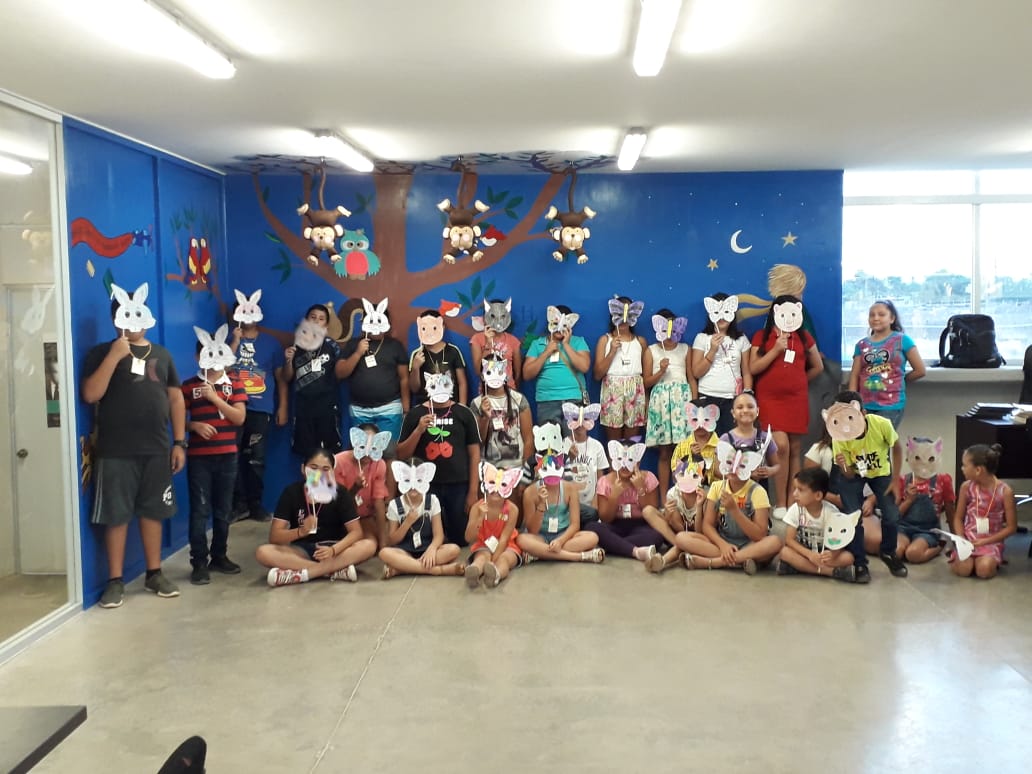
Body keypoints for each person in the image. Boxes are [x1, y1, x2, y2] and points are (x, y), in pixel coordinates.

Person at [81, 284, 186, 608]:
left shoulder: (162, 355)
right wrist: (115, 355)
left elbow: (175, 398)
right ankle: (115, 581)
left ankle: (154, 573)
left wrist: (179, 442)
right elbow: (91, 394)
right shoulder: (101, 353)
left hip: (156, 449)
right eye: (124, 316)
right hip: (115, 450)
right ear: (115, 320)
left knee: (154, 512)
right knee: (116, 515)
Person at [181, 327, 247, 585]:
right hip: (199, 458)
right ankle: (199, 562)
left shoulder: (234, 383)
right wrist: (193, 426)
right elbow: (176, 418)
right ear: (198, 358)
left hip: (227, 456)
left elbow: (239, 418)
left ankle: (219, 555)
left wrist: (215, 399)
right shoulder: (189, 386)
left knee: (223, 509)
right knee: (199, 510)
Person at [256, 449, 377, 586]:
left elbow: (356, 532)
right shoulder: (291, 492)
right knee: (263, 552)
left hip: (336, 549)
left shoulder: (340, 492)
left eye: (325, 469)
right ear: (303, 469)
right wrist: (300, 531)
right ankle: (332, 571)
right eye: (313, 468)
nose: (319, 474)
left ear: (332, 472)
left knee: (369, 545)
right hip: (302, 550)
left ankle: (302, 574)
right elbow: (275, 537)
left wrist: (333, 550)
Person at [749, 294, 823, 518]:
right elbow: (753, 368)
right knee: (780, 446)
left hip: (796, 400)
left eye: (793, 312)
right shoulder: (761, 336)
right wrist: (775, 350)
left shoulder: (804, 337)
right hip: (769, 400)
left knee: (795, 448)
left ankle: (793, 501)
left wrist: (799, 382)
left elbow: (818, 366)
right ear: (775, 312)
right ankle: (779, 502)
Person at [826, 391, 906, 582]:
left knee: (891, 514)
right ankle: (859, 562)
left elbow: (896, 447)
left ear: (862, 412)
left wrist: (895, 479)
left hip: (880, 473)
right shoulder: (839, 436)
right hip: (853, 474)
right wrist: (843, 465)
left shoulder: (881, 424)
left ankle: (888, 552)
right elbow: (848, 474)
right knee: (854, 517)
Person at [397, 372, 481, 545]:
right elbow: (401, 454)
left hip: (458, 485)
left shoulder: (464, 413)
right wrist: (418, 430)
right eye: (435, 385)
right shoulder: (415, 414)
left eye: (445, 384)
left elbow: (474, 454)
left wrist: (473, 491)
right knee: (425, 540)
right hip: (425, 486)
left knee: (461, 539)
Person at [677, 440, 783, 573]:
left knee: (775, 542)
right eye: (729, 463)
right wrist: (723, 545)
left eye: (741, 466)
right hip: (721, 542)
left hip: (751, 544)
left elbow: (759, 535)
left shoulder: (758, 492)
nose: (734, 470)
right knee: (681, 538)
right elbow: (707, 526)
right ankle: (742, 561)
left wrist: (734, 510)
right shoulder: (717, 487)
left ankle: (716, 562)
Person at [229, 293, 283, 522]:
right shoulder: (227, 341)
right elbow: (220, 368)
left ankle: (255, 504)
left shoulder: (271, 343)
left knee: (256, 459)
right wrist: (234, 342)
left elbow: (281, 378)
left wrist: (283, 407)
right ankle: (238, 504)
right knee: (232, 457)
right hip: (231, 409)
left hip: (261, 409)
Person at [866, 436, 955, 564]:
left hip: (927, 531)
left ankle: (938, 547)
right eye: (917, 458)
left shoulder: (943, 481)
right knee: (896, 552)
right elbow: (895, 515)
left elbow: (950, 511)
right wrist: (908, 500)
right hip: (903, 528)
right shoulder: (902, 481)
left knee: (913, 554)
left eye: (930, 458)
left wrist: (956, 538)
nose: (923, 463)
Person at [339, 300, 410, 447]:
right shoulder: (353, 344)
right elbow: (340, 373)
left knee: (389, 451)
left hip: (390, 409)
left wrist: (406, 408)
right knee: (362, 453)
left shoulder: (395, 346)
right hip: (359, 411)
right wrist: (358, 353)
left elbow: (404, 379)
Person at [378, 459, 465, 578]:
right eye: (408, 480)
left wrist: (432, 549)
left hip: (428, 548)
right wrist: (407, 523)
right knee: (384, 553)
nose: (413, 486)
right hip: (405, 551)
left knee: (454, 549)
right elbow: (392, 540)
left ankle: (403, 569)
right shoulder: (395, 505)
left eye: (418, 480)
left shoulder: (432, 500)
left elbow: (438, 535)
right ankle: (439, 570)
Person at [280, 304, 348, 454]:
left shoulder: (332, 346)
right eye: (313, 317)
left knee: (329, 452)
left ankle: (327, 472)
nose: (316, 321)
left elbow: (340, 373)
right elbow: (286, 377)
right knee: (306, 452)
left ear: (326, 325)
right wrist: (288, 361)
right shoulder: (297, 345)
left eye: (321, 319)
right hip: (303, 407)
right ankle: (309, 472)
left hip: (327, 406)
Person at [847, 299, 925, 429]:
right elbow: (854, 375)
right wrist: (853, 403)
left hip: (891, 405)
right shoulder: (861, 345)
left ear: (892, 318)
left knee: (881, 440)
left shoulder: (902, 340)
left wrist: (901, 380)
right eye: (872, 315)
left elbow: (920, 370)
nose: (876, 318)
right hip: (865, 405)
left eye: (881, 314)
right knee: (865, 440)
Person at [586, 440, 665, 563]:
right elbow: (605, 518)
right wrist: (613, 496)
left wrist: (640, 489)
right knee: (591, 527)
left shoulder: (648, 478)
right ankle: (635, 551)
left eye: (630, 460)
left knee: (657, 536)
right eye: (619, 459)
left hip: (641, 525)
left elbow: (651, 510)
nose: (624, 465)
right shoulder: (605, 481)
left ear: (638, 462)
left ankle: (613, 545)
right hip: (615, 525)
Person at [518, 453, 604, 563]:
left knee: (592, 537)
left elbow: (575, 525)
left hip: (564, 536)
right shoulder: (530, 492)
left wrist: (560, 541)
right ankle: (578, 556)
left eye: (557, 468)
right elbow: (532, 530)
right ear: (538, 470)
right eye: (546, 469)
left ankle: (540, 554)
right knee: (522, 539)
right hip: (540, 537)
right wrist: (541, 505)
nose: (551, 473)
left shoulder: (570, 488)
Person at [773, 468, 857, 581]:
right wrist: (810, 555)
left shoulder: (831, 512)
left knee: (848, 558)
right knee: (784, 552)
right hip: (804, 553)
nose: (794, 494)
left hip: (824, 556)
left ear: (818, 495)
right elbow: (789, 540)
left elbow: (840, 540)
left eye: (800, 490)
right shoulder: (795, 509)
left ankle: (799, 567)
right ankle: (831, 572)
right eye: (795, 489)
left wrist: (833, 554)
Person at [949, 444, 1017, 579]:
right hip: (969, 539)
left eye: (965, 465)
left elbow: (1011, 527)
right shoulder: (966, 487)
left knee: (984, 570)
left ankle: (988, 560)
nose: (962, 469)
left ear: (978, 470)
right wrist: (961, 539)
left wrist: (985, 541)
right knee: (964, 569)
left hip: (991, 541)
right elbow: (958, 518)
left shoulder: (1005, 491)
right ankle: (965, 559)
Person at [645, 308, 694, 494]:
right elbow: (646, 382)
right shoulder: (651, 351)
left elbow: (691, 378)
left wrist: (694, 405)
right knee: (665, 452)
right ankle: (665, 498)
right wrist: (661, 371)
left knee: (684, 451)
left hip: (682, 403)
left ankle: (684, 493)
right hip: (662, 406)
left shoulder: (685, 349)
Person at [692, 293, 752, 437]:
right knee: (709, 444)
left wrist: (748, 394)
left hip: (733, 399)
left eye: (726, 312)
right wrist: (712, 350)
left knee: (731, 442)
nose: (721, 317)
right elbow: (696, 372)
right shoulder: (702, 338)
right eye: (717, 313)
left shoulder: (741, 339)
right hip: (707, 397)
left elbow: (746, 371)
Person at [522, 304, 591, 429]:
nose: (559, 329)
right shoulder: (537, 344)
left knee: (573, 440)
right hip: (547, 402)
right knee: (550, 440)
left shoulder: (578, 341)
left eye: (564, 325)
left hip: (574, 400)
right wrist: (546, 352)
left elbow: (584, 367)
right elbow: (527, 374)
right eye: (556, 324)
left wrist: (566, 345)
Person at [718, 392, 780, 531]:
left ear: (757, 411)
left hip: (758, 492)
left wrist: (770, 471)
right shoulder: (726, 439)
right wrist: (746, 474)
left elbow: (777, 465)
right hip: (733, 492)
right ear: (733, 413)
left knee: (761, 531)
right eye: (740, 407)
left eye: (750, 406)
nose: (745, 410)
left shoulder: (765, 438)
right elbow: (717, 469)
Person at [594, 295, 649, 442]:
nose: (624, 319)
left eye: (629, 314)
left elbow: (646, 376)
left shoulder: (640, 342)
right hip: (612, 391)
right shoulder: (605, 340)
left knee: (632, 443)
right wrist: (612, 351)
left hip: (635, 391)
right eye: (619, 314)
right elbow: (597, 374)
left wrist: (647, 401)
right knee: (614, 444)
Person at [641, 457, 706, 573]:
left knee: (686, 539)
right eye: (682, 475)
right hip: (676, 534)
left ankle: (663, 560)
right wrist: (668, 514)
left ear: (702, 477)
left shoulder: (706, 496)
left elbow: (700, 531)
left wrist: (700, 506)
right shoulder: (673, 493)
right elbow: (669, 523)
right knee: (648, 511)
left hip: (699, 537)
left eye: (694, 476)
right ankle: (682, 547)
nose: (687, 480)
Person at [469, 354, 533, 468]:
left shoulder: (519, 400)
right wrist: (485, 417)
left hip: (516, 467)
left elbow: (528, 439)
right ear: (483, 376)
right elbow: (477, 444)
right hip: (489, 469)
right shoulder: (477, 404)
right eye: (489, 372)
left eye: (499, 372)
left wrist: (526, 470)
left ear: (504, 373)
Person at [464, 464, 522, 588]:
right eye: (492, 483)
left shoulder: (512, 510)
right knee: (482, 557)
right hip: (483, 545)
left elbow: (504, 539)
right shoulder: (476, 507)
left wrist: (493, 561)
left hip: (507, 546)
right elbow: (468, 538)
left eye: (503, 485)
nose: (496, 490)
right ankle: (474, 571)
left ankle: (496, 575)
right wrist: (480, 518)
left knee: (504, 559)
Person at [334, 424, 391, 546]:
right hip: (341, 518)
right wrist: (355, 488)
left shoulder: (379, 464)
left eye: (373, 448)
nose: (367, 453)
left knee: (373, 543)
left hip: (364, 517)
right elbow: (339, 504)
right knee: (366, 543)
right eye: (362, 446)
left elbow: (379, 502)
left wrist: (383, 546)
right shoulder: (338, 462)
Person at [409, 309, 468, 405]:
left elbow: (462, 383)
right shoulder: (417, 354)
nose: (429, 333)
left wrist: (462, 407)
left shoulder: (453, 351)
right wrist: (415, 368)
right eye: (424, 328)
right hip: (427, 406)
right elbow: (414, 389)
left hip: (451, 405)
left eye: (434, 328)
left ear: (442, 327)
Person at [563, 404, 609, 524]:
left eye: (585, 419)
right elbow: (558, 478)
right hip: (568, 505)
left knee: (592, 522)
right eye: (575, 419)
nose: (580, 424)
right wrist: (568, 458)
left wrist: (595, 503)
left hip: (590, 507)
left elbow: (601, 480)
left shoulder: (597, 446)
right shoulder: (562, 445)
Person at [470, 297, 523, 389]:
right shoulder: (477, 339)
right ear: (485, 317)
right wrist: (488, 344)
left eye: (502, 316)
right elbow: (478, 371)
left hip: (508, 390)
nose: (498, 320)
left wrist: (514, 392)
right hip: (487, 391)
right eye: (493, 316)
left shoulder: (513, 341)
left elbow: (518, 373)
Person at [671, 403, 721, 487]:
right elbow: (675, 476)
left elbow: (726, 477)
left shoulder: (720, 446)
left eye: (706, 420)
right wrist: (691, 459)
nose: (700, 425)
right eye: (695, 420)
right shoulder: (682, 447)